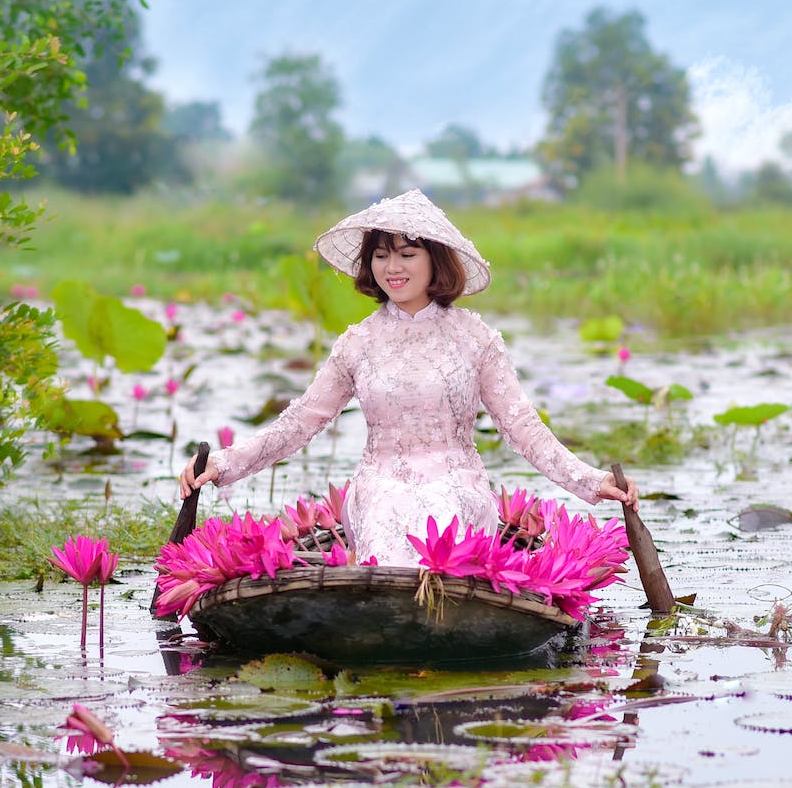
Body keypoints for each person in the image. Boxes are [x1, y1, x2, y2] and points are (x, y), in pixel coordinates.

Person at [178, 189, 638, 565]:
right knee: (388, 509)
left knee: (443, 507)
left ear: (436, 260)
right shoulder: (358, 343)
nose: (392, 268)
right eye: (380, 256)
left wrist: (591, 481)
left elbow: (523, 428)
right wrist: (223, 464)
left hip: (458, 484)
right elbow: (300, 422)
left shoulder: (475, 338)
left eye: (407, 254)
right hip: (380, 486)